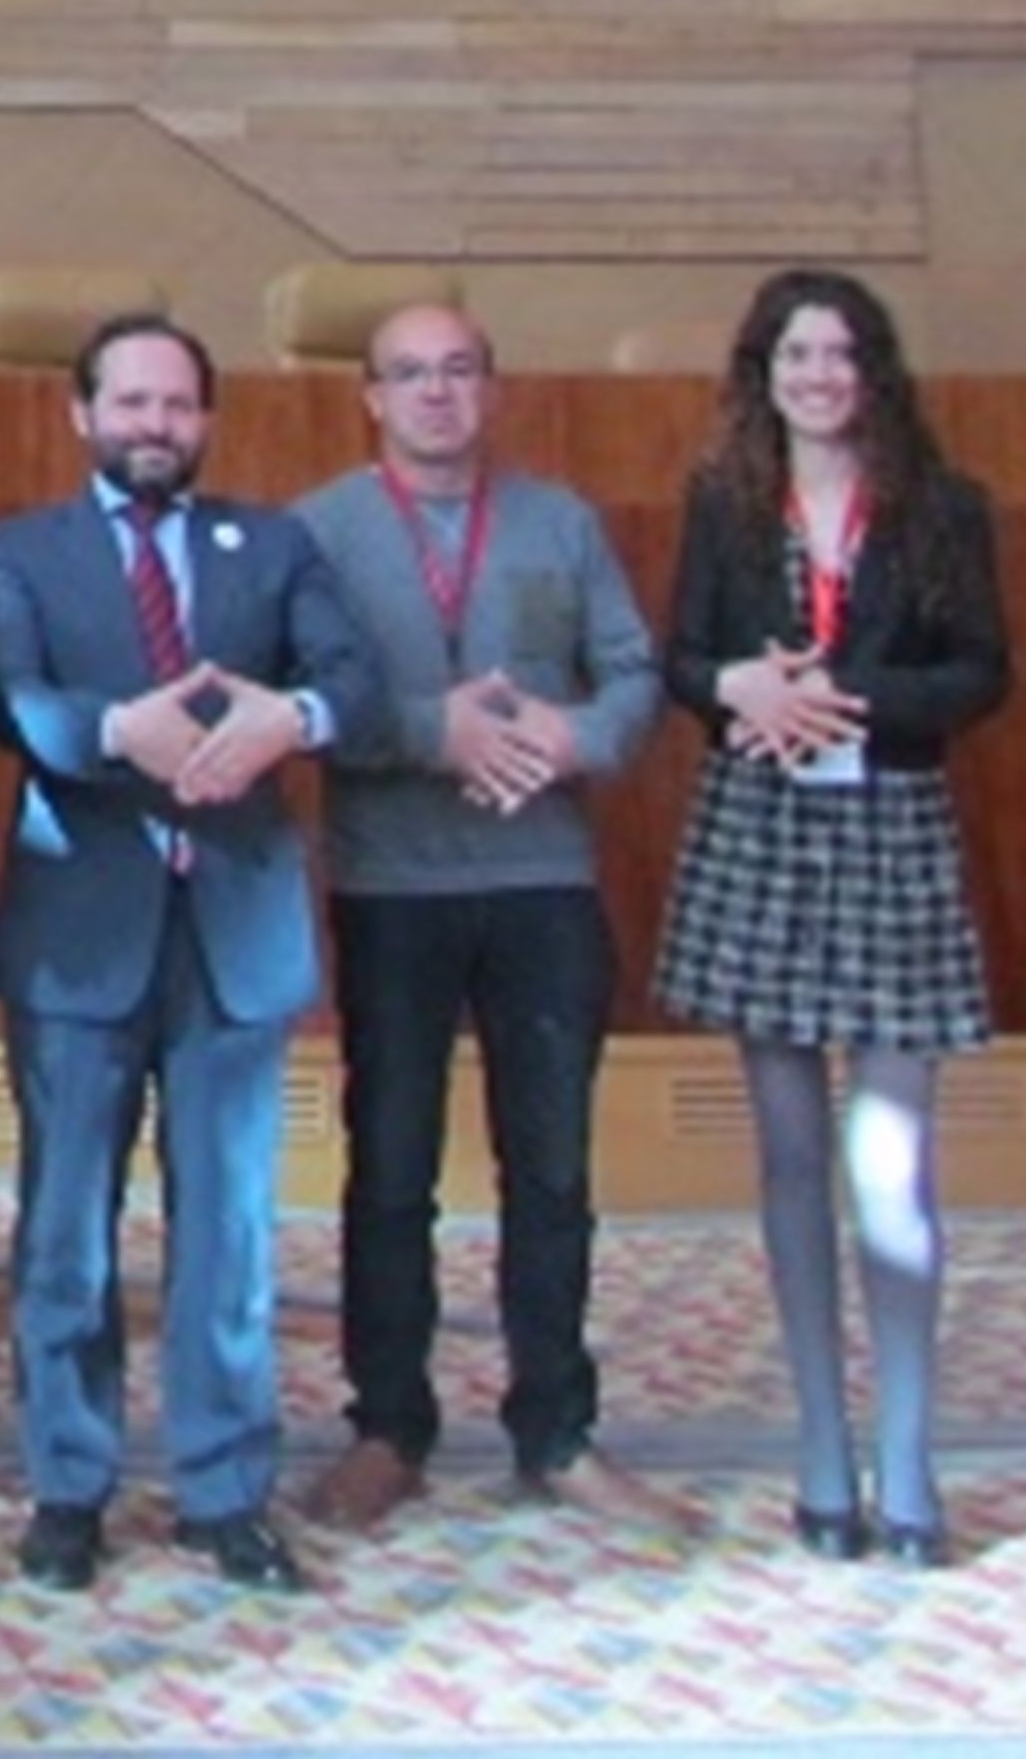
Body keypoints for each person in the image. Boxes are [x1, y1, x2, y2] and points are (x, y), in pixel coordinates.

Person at [0, 312, 374, 1598]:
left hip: (235, 934)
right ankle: (70, 1487)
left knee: (231, 1233)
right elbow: (16, 700)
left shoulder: (274, 543)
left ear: (206, 420)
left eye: (178, 405)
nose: (155, 426)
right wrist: (114, 732)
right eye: (130, 403)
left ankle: (223, 1489)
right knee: (66, 1236)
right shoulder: (23, 549)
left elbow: (351, 682)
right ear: (81, 415)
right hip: (81, 932)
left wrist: (287, 720)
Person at [285, 304, 689, 1541]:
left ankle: (555, 1429)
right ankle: (388, 1426)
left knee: (552, 1170)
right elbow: (308, 698)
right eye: (410, 375)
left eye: (459, 371)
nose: (438, 395)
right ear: (371, 397)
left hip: (543, 882)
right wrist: (430, 729)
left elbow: (634, 673)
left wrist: (573, 737)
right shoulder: (320, 529)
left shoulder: (560, 521)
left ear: (492, 390)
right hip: (392, 888)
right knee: (392, 1167)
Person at [653, 268, 1010, 1571]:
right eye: (795, 354)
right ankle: (821, 1443)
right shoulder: (726, 504)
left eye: (841, 354)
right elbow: (683, 659)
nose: (818, 376)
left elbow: (983, 671)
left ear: (875, 373)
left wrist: (842, 697)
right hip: (762, 829)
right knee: (792, 1161)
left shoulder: (942, 507)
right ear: (765, 372)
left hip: (892, 829)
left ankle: (908, 1451)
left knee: (892, 1170)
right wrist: (743, 684)